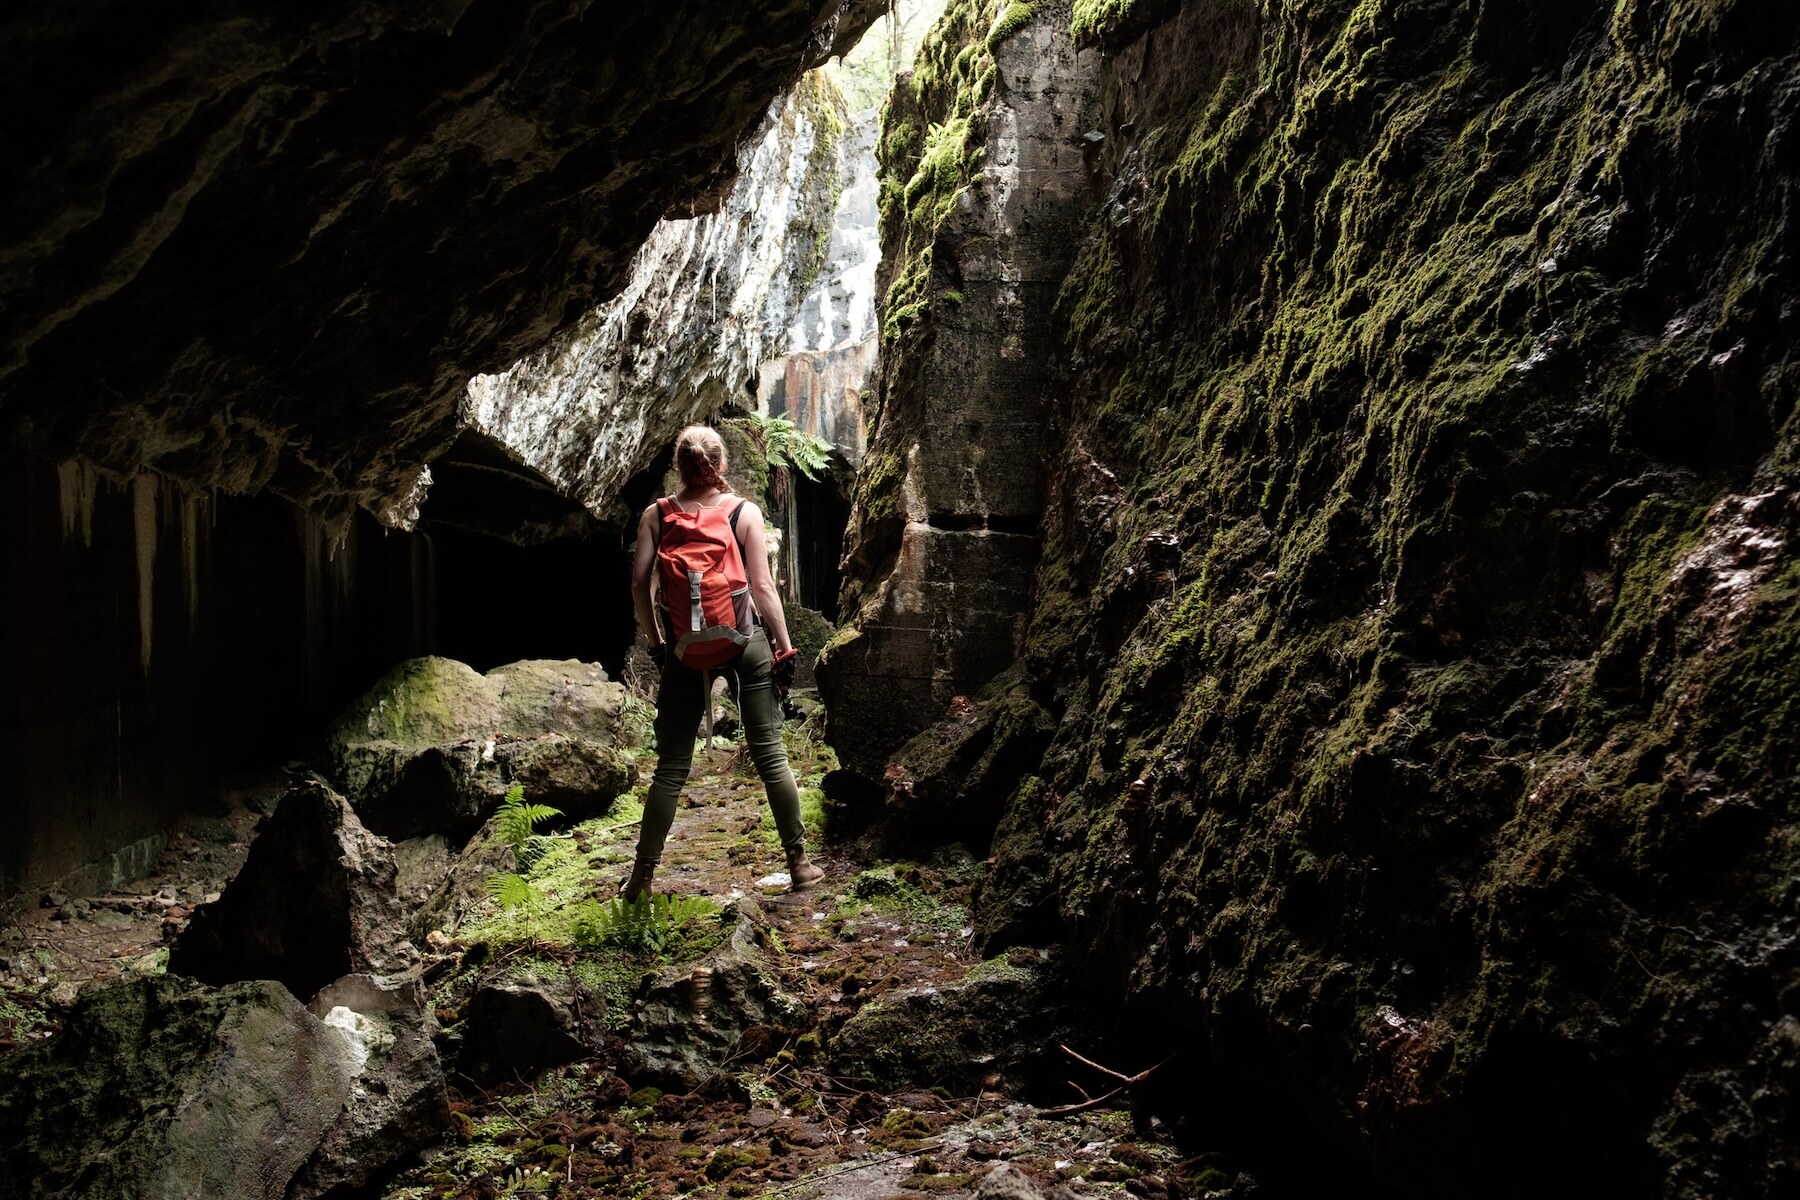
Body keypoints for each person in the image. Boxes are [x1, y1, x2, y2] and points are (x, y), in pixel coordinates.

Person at [622, 424, 825, 900]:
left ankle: (642, 879)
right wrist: (785, 646)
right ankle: (799, 864)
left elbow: (638, 585)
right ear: (722, 464)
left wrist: (658, 645)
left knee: (671, 765)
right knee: (769, 751)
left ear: (678, 466)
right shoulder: (743, 512)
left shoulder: (657, 514)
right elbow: (762, 588)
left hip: (684, 649)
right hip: (744, 640)